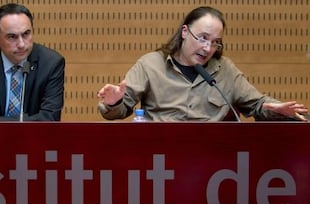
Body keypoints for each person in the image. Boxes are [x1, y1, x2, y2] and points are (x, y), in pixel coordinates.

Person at [97, 6, 308, 122]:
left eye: (215, 42)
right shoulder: (150, 65)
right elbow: (119, 111)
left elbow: (258, 104)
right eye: (203, 38)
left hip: (214, 165)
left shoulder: (224, 70)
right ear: (185, 32)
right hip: (159, 160)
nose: (208, 48)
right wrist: (114, 102)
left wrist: (277, 110)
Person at [0, 3, 65, 121]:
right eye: (12, 37)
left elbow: (49, 119)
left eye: (26, 34)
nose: (21, 44)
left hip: (35, 138)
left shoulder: (51, 63)